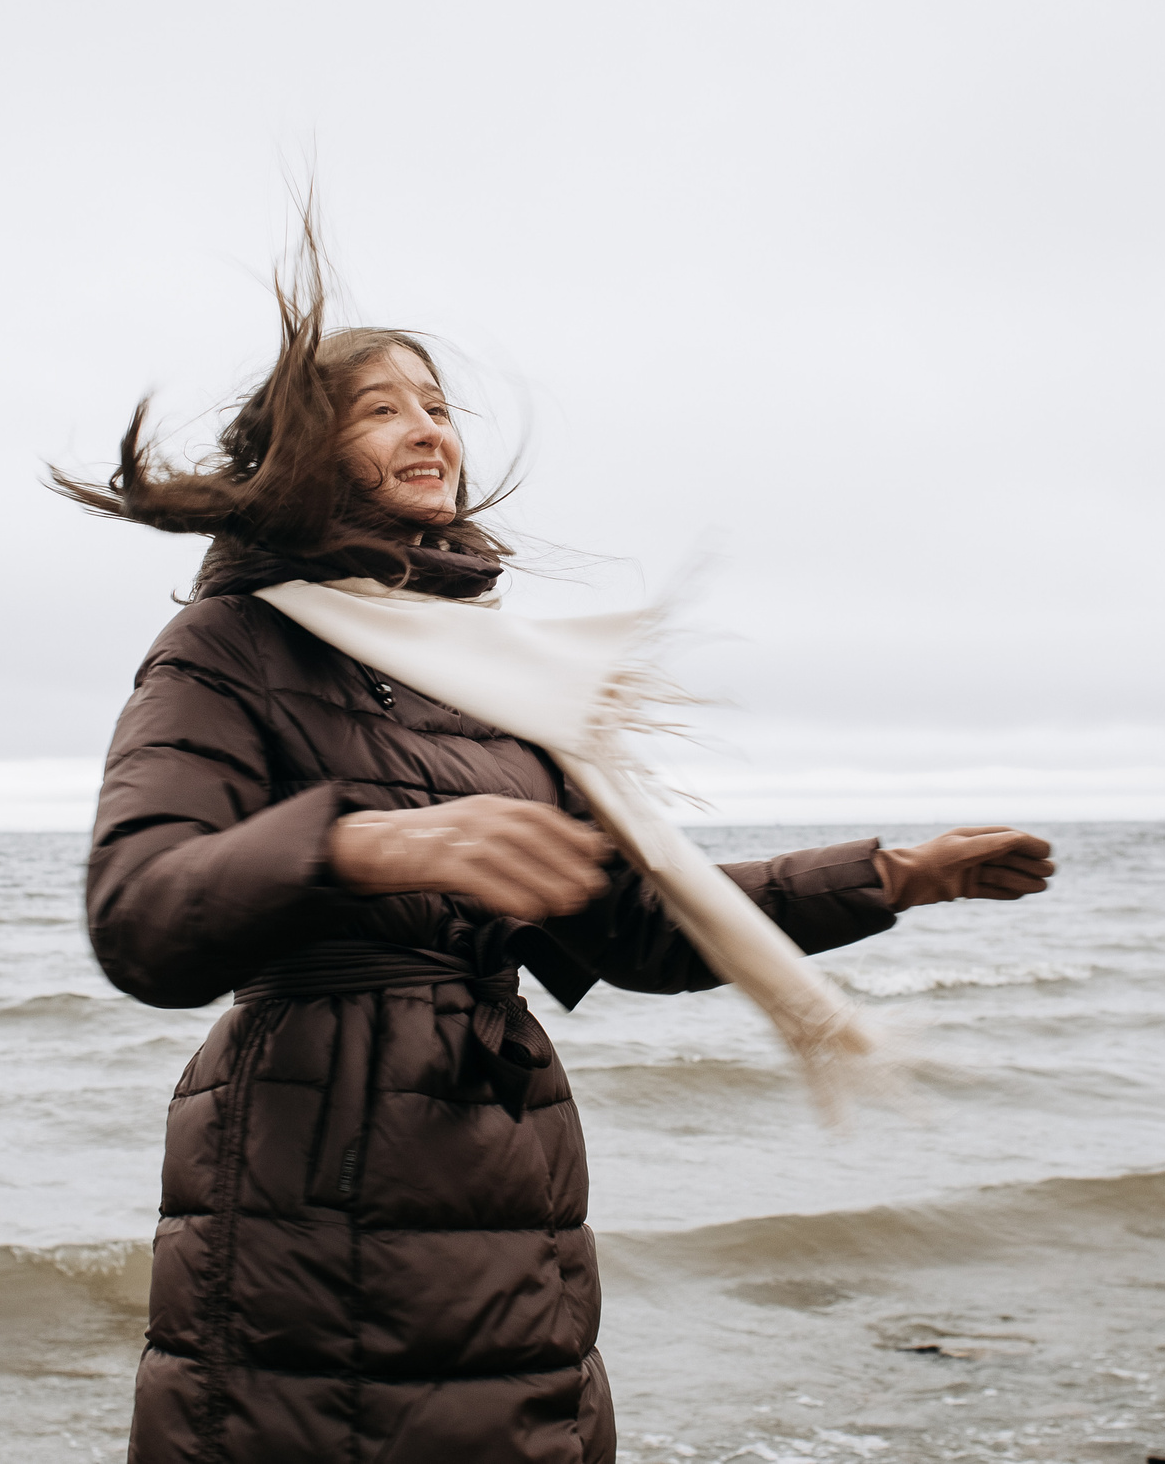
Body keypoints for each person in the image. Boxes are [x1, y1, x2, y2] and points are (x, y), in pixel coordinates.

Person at [56, 221, 1054, 1464]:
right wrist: (373, 848)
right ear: (305, 458)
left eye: (440, 406)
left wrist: (894, 878)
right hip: (314, 1176)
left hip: (502, 1161)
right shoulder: (229, 645)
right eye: (384, 411)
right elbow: (140, 915)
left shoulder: (495, 675)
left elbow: (632, 926)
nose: (432, 431)